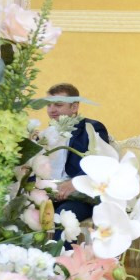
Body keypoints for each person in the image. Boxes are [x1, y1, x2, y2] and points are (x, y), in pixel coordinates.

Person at [45, 82, 110, 224]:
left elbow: (100, 163)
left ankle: (60, 247)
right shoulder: (46, 134)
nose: (52, 110)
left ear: (74, 107)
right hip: (50, 194)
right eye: (49, 105)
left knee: (62, 216)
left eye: (58, 105)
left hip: (81, 196)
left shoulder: (92, 128)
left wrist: (75, 183)